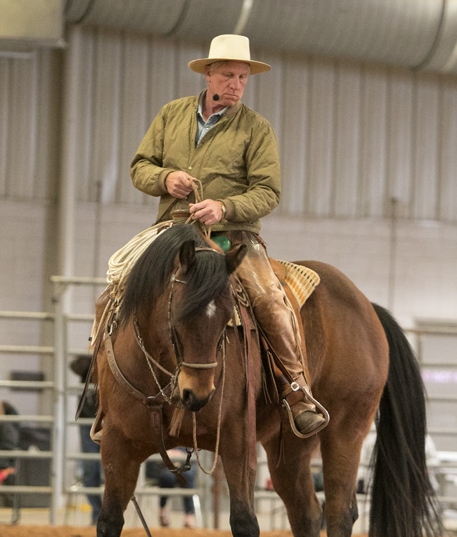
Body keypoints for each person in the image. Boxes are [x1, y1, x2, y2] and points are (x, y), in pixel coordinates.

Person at [129, 33, 327, 436]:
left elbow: (268, 192)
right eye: (227, 75)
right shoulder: (171, 115)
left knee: (270, 298)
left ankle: (296, 390)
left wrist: (225, 207)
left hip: (229, 239)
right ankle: (105, 387)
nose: (235, 84)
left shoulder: (257, 129)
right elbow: (140, 167)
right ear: (207, 75)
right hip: (173, 232)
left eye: (242, 77)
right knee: (118, 285)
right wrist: (166, 179)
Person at [71, 355, 103, 525]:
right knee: (90, 470)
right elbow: (74, 365)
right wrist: (94, 356)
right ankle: (97, 513)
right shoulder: (85, 367)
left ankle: (108, 513)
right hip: (87, 423)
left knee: (109, 470)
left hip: (108, 423)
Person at [146, 448, 197, 529]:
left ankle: (189, 516)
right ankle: (163, 511)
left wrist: (180, 457)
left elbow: (191, 451)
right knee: (167, 477)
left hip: (183, 465)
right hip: (163, 466)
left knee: (187, 477)